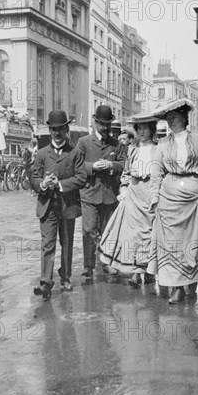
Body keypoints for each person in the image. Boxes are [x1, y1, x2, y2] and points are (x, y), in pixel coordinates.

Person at [147, 99, 198, 304]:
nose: (171, 122)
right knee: (171, 245)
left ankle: (191, 280)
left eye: (174, 118)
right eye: (168, 119)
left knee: (191, 243)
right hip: (168, 199)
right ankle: (176, 287)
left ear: (184, 118)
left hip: (192, 199)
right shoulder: (162, 144)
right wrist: (155, 199)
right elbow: (156, 174)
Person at [31, 110, 87, 299]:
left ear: (66, 129)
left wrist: (61, 185)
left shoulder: (75, 152)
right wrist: (42, 184)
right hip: (47, 205)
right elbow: (34, 178)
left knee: (67, 243)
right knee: (47, 244)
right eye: (53, 129)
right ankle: (46, 282)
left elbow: (81, 178)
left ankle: (66, 277)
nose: (56, 133)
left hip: (67, 205)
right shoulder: (41, 154)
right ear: (49, 130)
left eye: (60, 129)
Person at [99, 114, 158, 288]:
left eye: (146, 128)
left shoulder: (159, 149)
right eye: (139, 129)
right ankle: (135, 272)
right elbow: (126, 173)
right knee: (133, 235)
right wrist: (124, 189)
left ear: (152, 130)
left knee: (148, 234)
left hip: (149, 194)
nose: (143, 132)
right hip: (133, 193)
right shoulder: (132, 150)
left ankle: (146, 270)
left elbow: (161, 173)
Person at [77, 105, 126, 285]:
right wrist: (93, 167)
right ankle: (88, 267)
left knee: (107, 232)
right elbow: (76, 166)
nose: (105, 128)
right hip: (89, 193)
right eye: (102, 124)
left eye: (108, 125)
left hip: (109, 195)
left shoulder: (116, 144)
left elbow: (124, 164)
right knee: (89, 229)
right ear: (94, 122)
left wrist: (112, 166)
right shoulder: (84, 142)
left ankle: (104, 263)